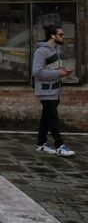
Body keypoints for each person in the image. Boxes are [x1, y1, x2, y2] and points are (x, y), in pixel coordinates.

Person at [32, 24, 75, 157]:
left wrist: (63, 72)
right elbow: (37, 72)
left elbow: (53, 69)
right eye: (61, 34)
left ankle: (41, 143)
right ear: (53, 36)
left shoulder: (55, 50)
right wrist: (58, 73)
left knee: (46, 117)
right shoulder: (41, 51)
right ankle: (59, 146)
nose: (63, 37)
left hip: (54, 90)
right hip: (46, 91)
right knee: (53, 118)